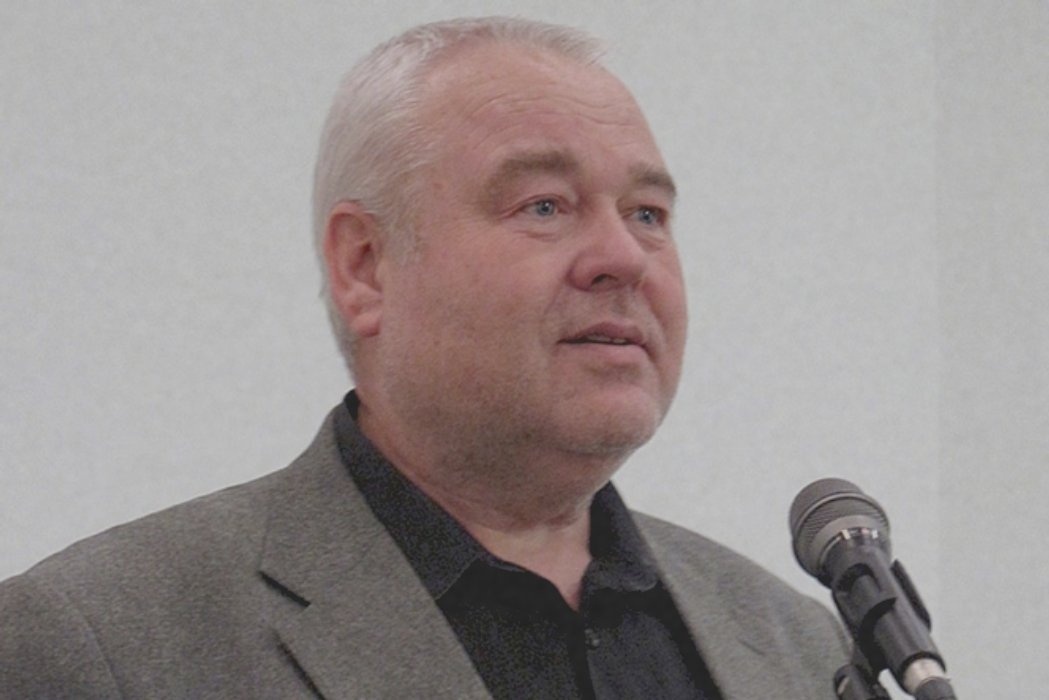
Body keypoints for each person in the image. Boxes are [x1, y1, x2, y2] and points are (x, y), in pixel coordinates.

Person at [0, 17, 847, 699]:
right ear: (365, 267)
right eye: (544, 205)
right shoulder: (98, 647)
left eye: (647, 214)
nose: (622, 257)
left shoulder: (805, 650)